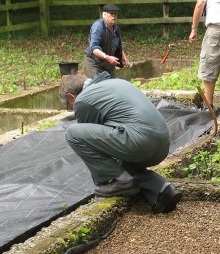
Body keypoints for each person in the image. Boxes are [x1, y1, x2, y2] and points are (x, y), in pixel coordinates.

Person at [60, 72, 179, 214]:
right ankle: (162, 189)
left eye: (69, 106)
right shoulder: (117, 83)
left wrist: (103, 181)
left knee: (73, 134)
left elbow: (95, 145)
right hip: (162, 145)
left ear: (71, 97)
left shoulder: (83, 100)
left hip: (139, 142)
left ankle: (119, 182)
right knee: (121, 166)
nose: (73, 109)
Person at [84, 4, 130, 79]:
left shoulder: (116, 27)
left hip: (108, 63)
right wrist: (106, 57)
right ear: (104, 15)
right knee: (97, 87)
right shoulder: (98, 26)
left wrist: (123, 57)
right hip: (95, 63)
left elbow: (118, 44)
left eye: (115, 14)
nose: (114, 16)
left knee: (112, 85)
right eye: (111, 14)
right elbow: (94, 48)